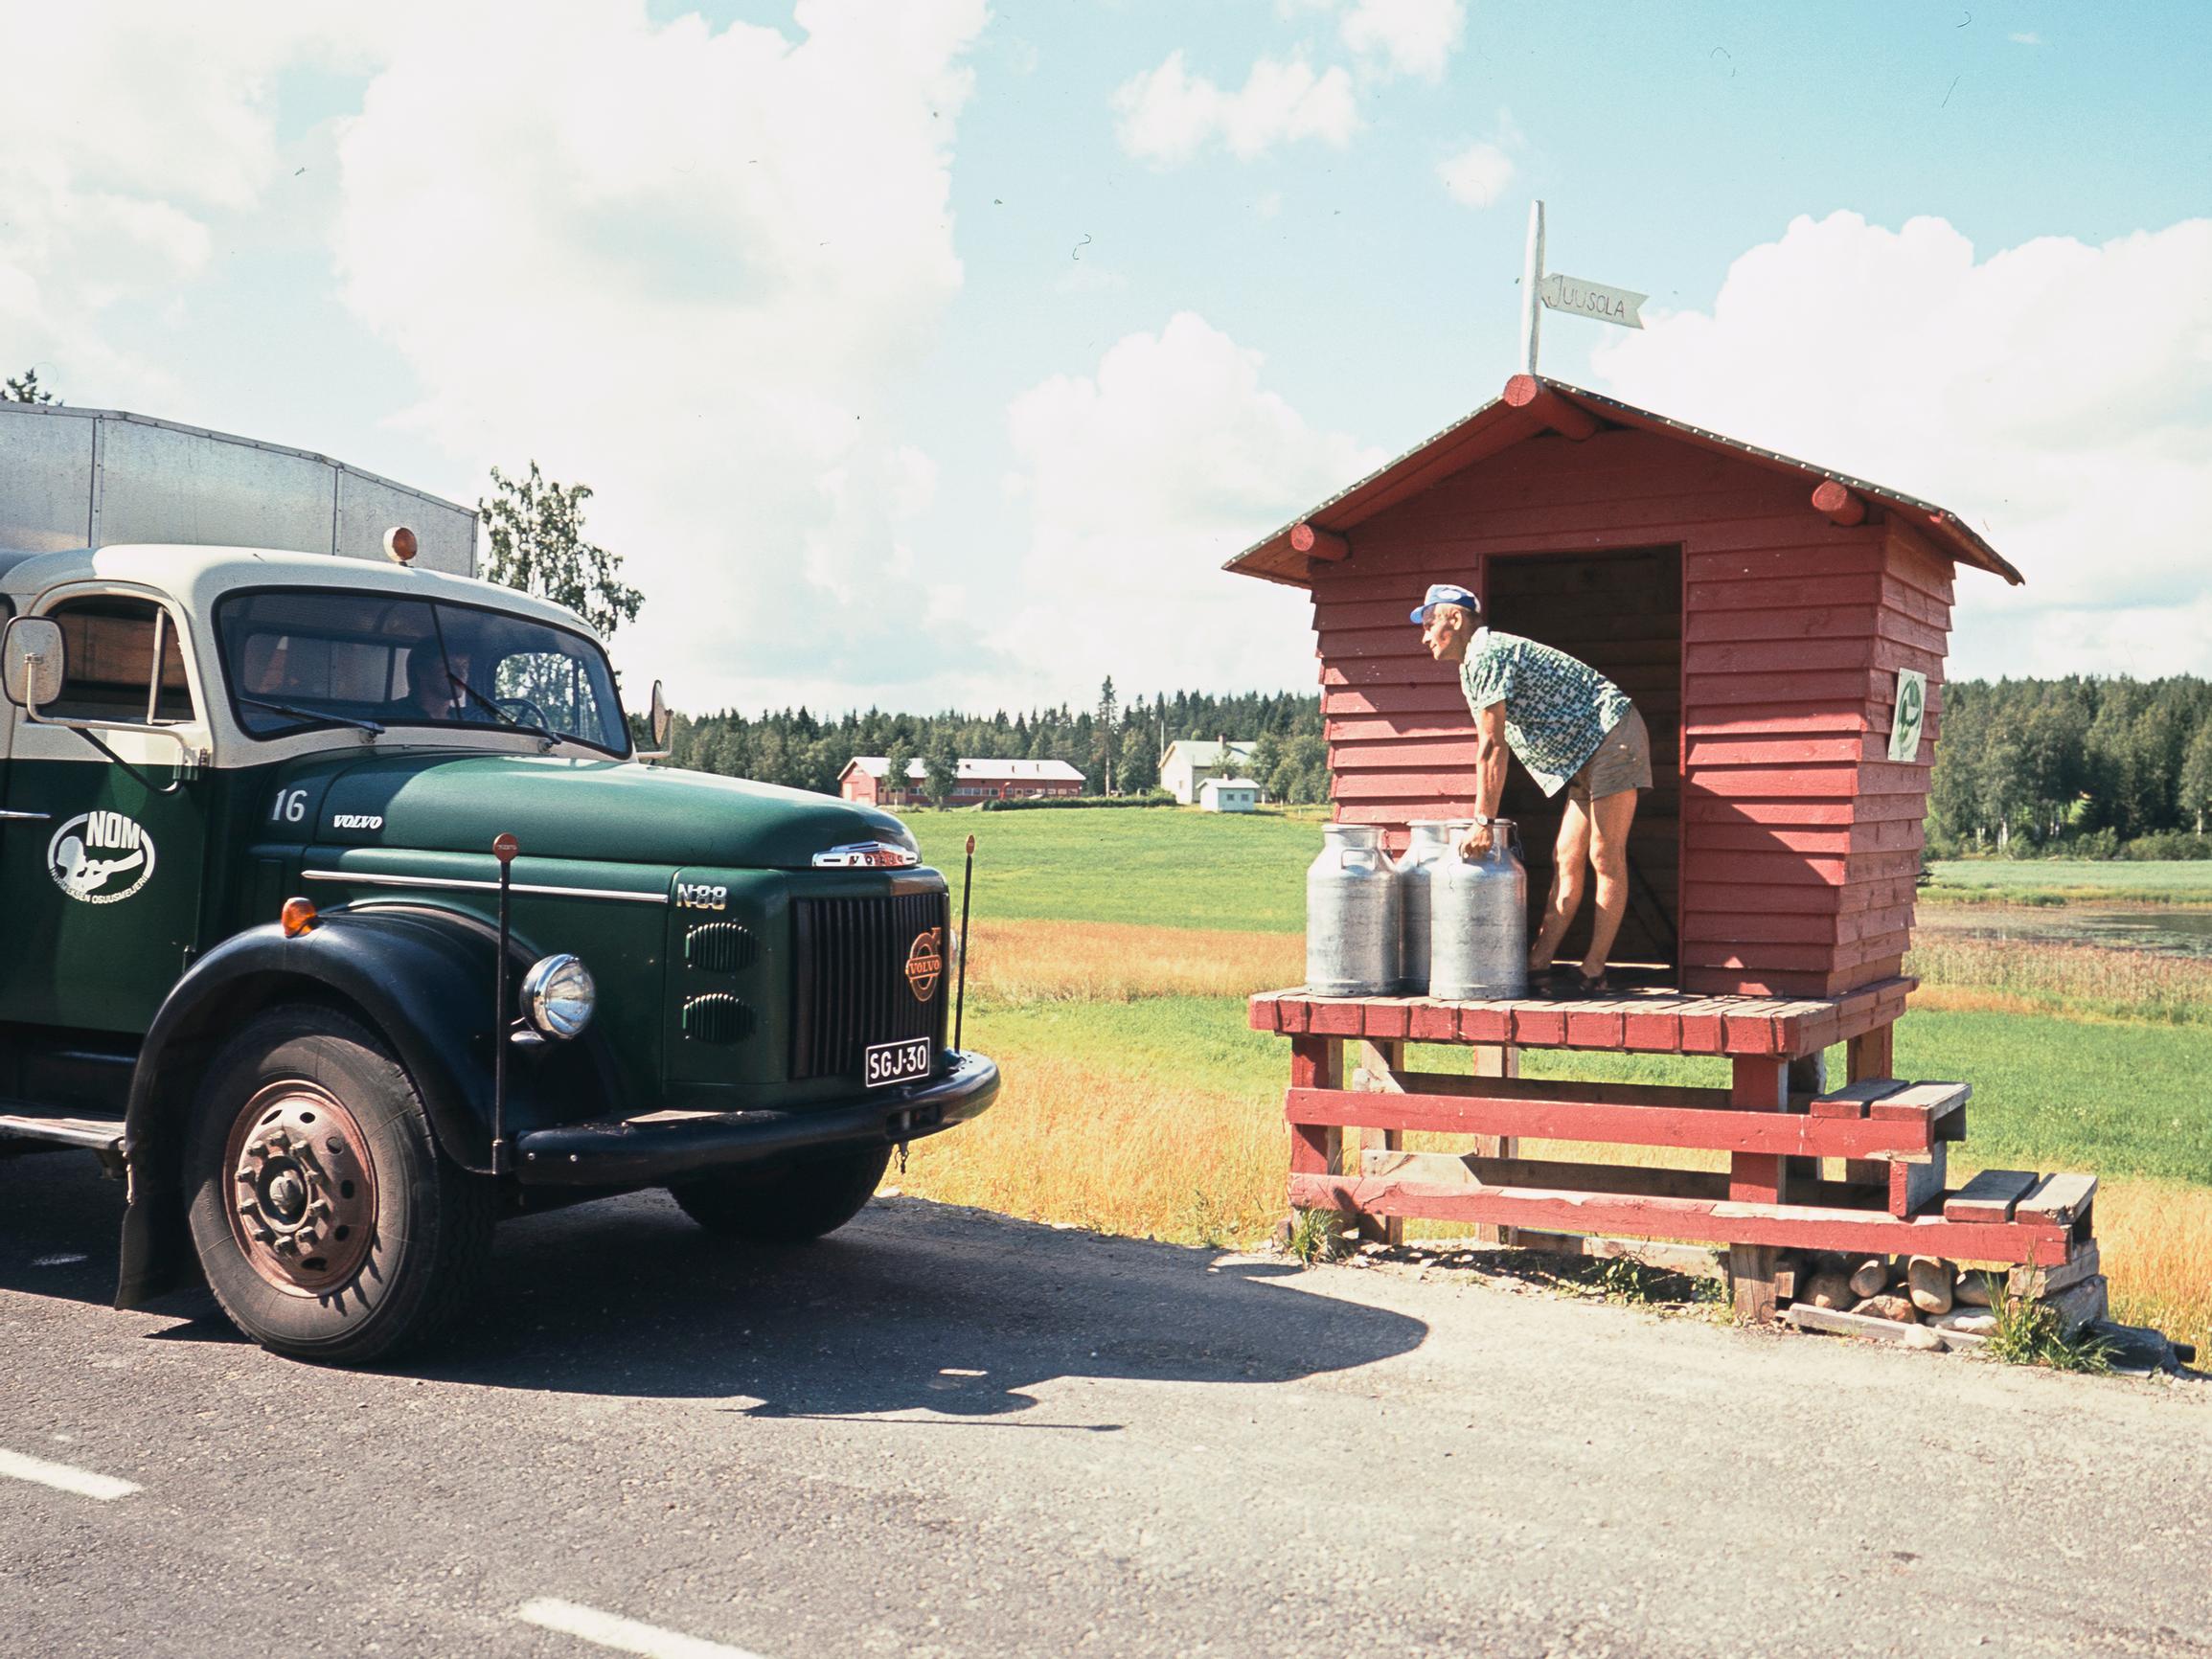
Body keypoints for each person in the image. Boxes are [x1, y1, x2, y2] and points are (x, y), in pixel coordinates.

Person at [1411, 581, 1652, 998]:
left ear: (1455, 619)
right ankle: (1538, 963)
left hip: (1613, 735)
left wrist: (1482, 822)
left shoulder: (1486, 653)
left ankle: (1594, 970)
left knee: (1603, 852)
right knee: (1565, 856)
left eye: (1430, 623)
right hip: (1583, 752)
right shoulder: (1473, 664)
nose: (1424, 635)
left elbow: (1492, 746)